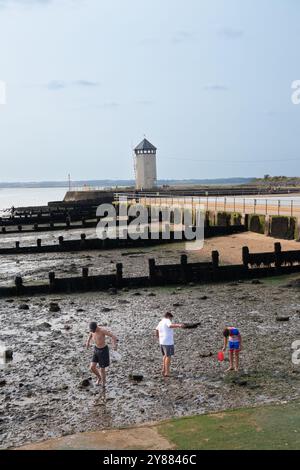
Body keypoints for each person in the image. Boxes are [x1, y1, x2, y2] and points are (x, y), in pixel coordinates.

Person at [85, 321, 118, 387]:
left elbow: (113, 336)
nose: (93, 331)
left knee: (102, 369)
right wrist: (88, 342)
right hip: (96, 349)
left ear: (96, 327)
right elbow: (90, 335)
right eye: (92, 330)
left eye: (94, 330)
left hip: (103, 351)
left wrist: (114, 345)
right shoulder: (92, 330)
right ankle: (99, 377)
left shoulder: (102, 330)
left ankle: (103, 383)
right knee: (92, 367)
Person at [155, 312, 184, 377]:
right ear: (169, 316)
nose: (171, 320)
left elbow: (156, 330)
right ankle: (167, 372)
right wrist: (178, 325)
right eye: (171, 318)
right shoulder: (167, 320)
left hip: (162, 342)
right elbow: (170, 325)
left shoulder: (161, 322)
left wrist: (158, 337)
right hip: (168, 342)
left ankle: (163, 370)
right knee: (168, 356)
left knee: (165, 356)